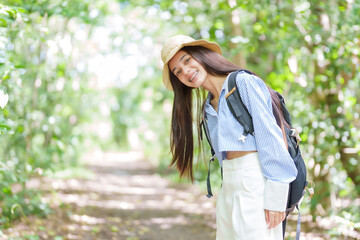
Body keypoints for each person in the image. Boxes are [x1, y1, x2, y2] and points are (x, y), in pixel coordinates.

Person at [160, 35, 298, 240]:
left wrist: (276, 198)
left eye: (187, 60)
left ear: (202, 55)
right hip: (228, 188)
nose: (185, 72)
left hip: (255, 182)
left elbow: (270, 138)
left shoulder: (243, 82)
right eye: (177, 72)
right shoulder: (208, 107)